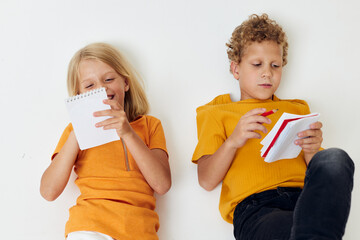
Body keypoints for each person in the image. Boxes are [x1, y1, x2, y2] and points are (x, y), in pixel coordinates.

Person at [192, 14, 354, 240]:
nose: (267, 72)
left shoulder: (297, 109)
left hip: (305, 201)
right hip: (256, 209)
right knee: (287, 226)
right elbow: (206, 180)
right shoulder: (216, 112)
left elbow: (317, 173)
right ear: (236, 69)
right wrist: (234, 140)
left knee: (336, 158)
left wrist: (311, 151)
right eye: (257, 64)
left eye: (275, 65)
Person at [40, 42, 171, 240]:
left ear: (125, 83)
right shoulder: (73, 132)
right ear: (79, 95)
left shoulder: (150, 125)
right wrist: (79, 130)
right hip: (89, 226)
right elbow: (49, 191)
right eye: (90, 85)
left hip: (139, 231)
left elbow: (162, 185)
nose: (101, 88)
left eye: (109, 79)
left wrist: (127, 132)